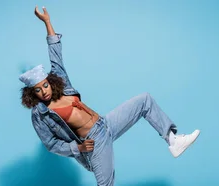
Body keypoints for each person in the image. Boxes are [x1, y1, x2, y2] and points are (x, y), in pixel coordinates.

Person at [19, 6, 200, 186]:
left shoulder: (61, 82)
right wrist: (77, 148)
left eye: (45, 85)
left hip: (105, 124)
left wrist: (47, 22)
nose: (44, 91)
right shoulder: (40, 114)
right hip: (94, 142)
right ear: (31, 94)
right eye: (38, 90)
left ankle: (173, 140)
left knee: (145, 100)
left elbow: (55, 53)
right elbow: (51, 144)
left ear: (49, 81)